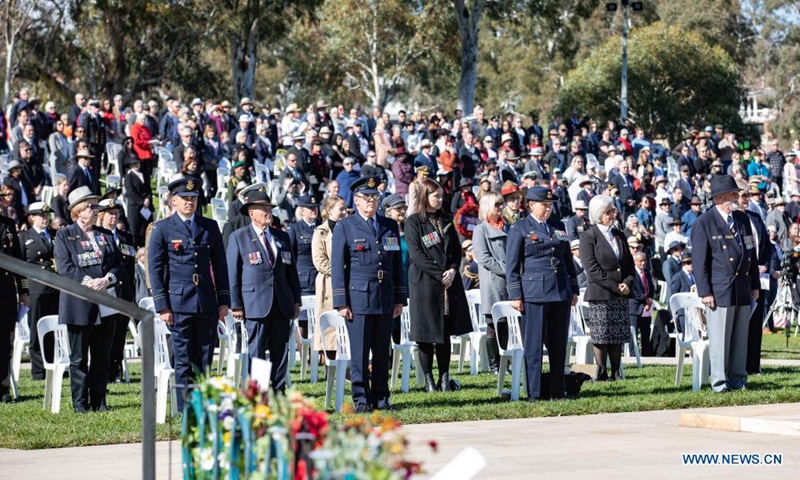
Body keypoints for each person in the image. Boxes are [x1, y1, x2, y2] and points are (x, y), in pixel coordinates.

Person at [148, 178, 230, 411]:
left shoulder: (209, 226)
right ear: (173, 201)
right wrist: (162, 305)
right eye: (185, 199)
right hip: (178, 302)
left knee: (203, 358)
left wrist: (223, 300)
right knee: (183, 359)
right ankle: (186, 409)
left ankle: (201, 406)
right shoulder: (163, 228)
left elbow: (220, 266)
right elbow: (155, 269)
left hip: (205, 301)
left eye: (193, 199)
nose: (190, 203)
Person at [331, 175, 406, 413]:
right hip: (359, 298)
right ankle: (362, 399)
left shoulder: (389, 225)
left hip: (384, 296)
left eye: (375, 197)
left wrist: (399, 297)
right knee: (360, 354)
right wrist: (341, 301)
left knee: (383, 351)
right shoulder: (346, 226)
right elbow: (338, 267)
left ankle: (382, 398)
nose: (372, 201)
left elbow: (396, 265)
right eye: (367, 198)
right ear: (357, 200)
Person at [54, 187, 123, 412]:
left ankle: (99, 402)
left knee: (102, 356)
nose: (97, 209)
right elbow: (65, 268)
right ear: (79, 211)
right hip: (78, 303)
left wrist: (108, 279)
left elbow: (117, 264)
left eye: (96, 205)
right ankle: (80, 405)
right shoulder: (65, 235)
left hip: (106, 301)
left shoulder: (105, 234)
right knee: (79, 358)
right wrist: (88, 282)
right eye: (92, 206)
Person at [506, 186, 578, 401]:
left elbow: (567, 260)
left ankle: (557, 391)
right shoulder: (519, 228)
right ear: (530, 205)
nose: (547, 209)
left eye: (549, 205)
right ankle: (535, 393)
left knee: (558, 344)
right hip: (534, 291)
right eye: (543, 205)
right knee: (534, 346)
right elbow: (512, 265)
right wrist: (515, 295)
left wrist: (573, 288)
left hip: (560, 290)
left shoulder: (559, 226)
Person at [227, 186, 300, 392]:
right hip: (254, 303)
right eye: (263, 209)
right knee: (257, 350)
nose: (269, 212)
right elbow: (232, 273)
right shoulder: (239, 237)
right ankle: (258, 393)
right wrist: (236, 304)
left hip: (281, 302)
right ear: (251, 213)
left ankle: (279, 391)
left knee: (280, 350)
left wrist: (296, 300)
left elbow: (291, 271)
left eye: (270, 208)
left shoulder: (281, 237)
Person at [691, 175, 759, 393]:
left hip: (741, 286)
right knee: (720, 339)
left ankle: (738, 379)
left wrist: (755, 284)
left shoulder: (741, 219)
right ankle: (720, 382)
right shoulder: (705, 222)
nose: (737, 196)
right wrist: (705, 292)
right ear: (720, 197)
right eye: (733, 193)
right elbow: (699, 262)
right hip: (719, 289)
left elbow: (751, 254)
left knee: (740, 338)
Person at [405, 178, 472, 392]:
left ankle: (444, 379)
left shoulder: (445, 219)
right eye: (436, 196)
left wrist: (453, 269)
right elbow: (416, 255)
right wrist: (440, 273)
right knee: (426, 335)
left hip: (447, 284)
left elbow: (455, 251)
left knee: (444, 333)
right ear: (425, 196)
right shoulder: (414, 222)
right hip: (425, 284)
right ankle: (429, 381)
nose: (440, 199)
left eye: (442, 196)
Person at [579, 194, 635, 381]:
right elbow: (592, 268)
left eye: (613, 211)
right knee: (601, 335)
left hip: (620, 291)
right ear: (598, 214)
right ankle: (601, 370)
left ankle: (617, 370)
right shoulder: (588, 237)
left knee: (617, 333)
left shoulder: (619, 235)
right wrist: (615, 286)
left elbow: (628, 265)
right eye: (608, 212)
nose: (612, 214)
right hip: (601, 292)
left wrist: (626, 284)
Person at [96, 199, 137, 383]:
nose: (114, 216)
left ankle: (116, 371)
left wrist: (131, 295)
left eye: (116, 213)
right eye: (110, 213)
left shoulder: (126, 237)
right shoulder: (97, 236)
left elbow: (130, 268)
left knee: (120, 334)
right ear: (102, 215)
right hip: (107, 290)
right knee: (105, 336)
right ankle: (104, 371)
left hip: (124, 291)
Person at [19, 202, 59, 380]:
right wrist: (24, 290)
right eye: (40, 215)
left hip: (55, 287)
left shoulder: (55, 235)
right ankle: (38, 370)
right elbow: (20, 266)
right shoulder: (25, 237)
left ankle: (53, 365)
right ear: (32, 217)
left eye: (46, 215)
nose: (44, 218)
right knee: (36, 330)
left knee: (54, 328)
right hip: (36, 288)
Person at [472, 191, 508, 375]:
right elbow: (484, 258)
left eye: (502, 204)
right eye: (497, 204)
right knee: (493, 325)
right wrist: (507, 269)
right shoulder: (481, 229)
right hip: (494, 283)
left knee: (507, 325)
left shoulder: (507, 227)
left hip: (509, 283)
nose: (501, 207)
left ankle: (506, 363)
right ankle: (495, 366)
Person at [311, 195, 347, 359]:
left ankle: (348, 362)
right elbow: (320, 261)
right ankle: (329, 361)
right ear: (329, 210)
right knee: (330, 327)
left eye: (345, 208)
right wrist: (341, 271)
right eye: (341, 209)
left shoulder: (349, 228)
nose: (344, 212)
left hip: (349, 282)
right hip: (329, 283)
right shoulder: (320, 232)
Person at [287, 195, 320, 342]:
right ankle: (305, 357)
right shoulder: (295, 229)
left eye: (315, 207)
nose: (314, 210)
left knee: (320, 318)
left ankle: (320, 355)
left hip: (320, 278)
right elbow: (290, 257)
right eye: (310, 208)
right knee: (304, 319)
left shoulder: (322, 227)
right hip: (304, 280)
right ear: (301, 210)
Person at [629, 251, 655, 357]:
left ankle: (646, 355)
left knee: (645, 332)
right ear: (635, 262)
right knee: (633, 334)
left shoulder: (647, 273)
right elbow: (633, 291)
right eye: (640, 261)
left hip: (646, 308)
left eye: (644, 261)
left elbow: (651, 287)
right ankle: (633, 356)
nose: (643, 263)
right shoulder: (631, 274)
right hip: (635, 307)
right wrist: (645, 299)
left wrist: (649, 299)